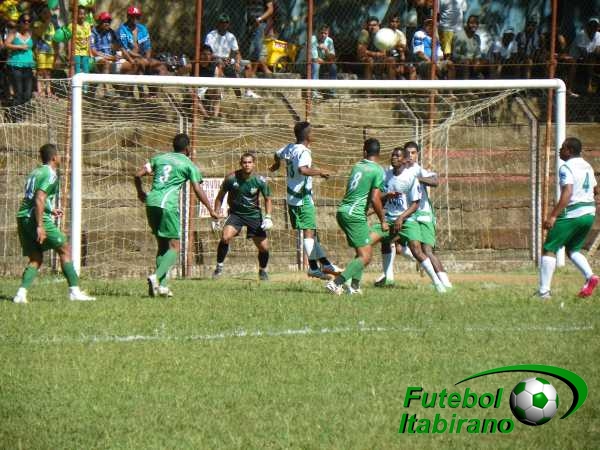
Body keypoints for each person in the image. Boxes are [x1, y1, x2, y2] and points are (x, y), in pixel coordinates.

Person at [134, 133, 219, 298]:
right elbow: (197, 189)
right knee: (175, 247)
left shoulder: (159, 158)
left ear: (173, 146)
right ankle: (156, 276)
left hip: (151, 202)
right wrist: (211, 209)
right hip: (167, 205)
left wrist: (140, 193)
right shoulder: (188, 164)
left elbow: (137, 174)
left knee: (162, 246)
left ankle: (161, 287)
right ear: (188, 148)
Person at [13, 143, 95, 304]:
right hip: (35, 218)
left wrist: (51, 210)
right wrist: (40, 226)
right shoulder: (50, 174)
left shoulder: (35, 172)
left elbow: (34, 197)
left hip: (23, 217)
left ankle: (20, 294)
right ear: (54, 158)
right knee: (64, 248)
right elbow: (39, 198)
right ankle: (74, 292)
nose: (61, 157)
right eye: (59, 155)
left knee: (36, 258)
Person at [270, 121, 342, 280]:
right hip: (302, 198)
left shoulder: (290, 148)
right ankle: (314, 268)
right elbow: (303, 169)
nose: (314, 134)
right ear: (308, 135)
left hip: (292, 198)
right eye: (312, 131)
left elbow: (277, 154)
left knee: (310, 233)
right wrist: (320, 172)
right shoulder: (304, 152)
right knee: (309, 233)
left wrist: (277, 164)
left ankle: (324, 264)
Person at [372, 147, 447, 293]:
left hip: (408, 219)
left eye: (397, 156)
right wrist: (386, 196)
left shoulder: (411, 177)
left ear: (403, 160)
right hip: (390, 219)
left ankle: (439, 283)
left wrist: (401, 218)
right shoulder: (385, 175)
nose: (394, 158)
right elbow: (378, 197)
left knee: (417, 249)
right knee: (374, 242)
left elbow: (415, 204)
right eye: (392, 155)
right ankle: (383, 278)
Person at [538, 137, 599, 299]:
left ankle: (544, 292)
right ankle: (591, 277)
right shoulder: (587, 166)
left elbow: (568, 192)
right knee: (572, 249)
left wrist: (553, 216)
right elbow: (595, 190)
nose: (560, 150)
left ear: (570, 151)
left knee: (549, 248)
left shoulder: (566, 167)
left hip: (573, 212)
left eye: (562, 148)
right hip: (589, 213)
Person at [325, 138, 387, 295]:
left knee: (362, 252)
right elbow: (375, 198)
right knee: (366, 256)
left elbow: (360, 191)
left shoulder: (357, 166)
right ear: (379, 153)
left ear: (364, 152)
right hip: (354, 215)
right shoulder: (378, 170)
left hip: (344, 211)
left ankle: (354, 287)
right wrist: (383, 220)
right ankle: (336, 283)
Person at [212, 153, 273, 281]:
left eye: (249, 162)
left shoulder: (260, 180)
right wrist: (215, 215)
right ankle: (219, 268)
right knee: (225, 237)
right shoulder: (231, 178)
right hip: (236, 214)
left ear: (254, 164)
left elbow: (268, 199)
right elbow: (220, 197)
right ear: (240, 164)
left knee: (264, 247)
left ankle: (262, 271)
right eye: (244, 162)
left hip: (254, 215)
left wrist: (268, 217)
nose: (247, 165)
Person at [4, 13, 35, 121]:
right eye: (24, 21)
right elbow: (6, 44)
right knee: (19, 91)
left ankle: (22, 113)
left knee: (28, 93)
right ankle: (15, 116)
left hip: (28, 66)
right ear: (20, 22)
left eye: (29, 21)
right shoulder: (14, 32)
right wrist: (19, 46)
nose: (26, 23)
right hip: (15, 65)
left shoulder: (31, 32)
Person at [90, 11, 136, 77]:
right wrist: (111, 58)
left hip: (111, 58)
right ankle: (105, 83)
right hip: (98, 59)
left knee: (129, 66)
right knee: (106, 63)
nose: (107, 24)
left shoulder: (111, 32)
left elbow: (119, 46)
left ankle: (120, 83)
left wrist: (126, 57)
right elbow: (94, 52)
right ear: (100, 22)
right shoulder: (94, 32)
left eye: (109, 21)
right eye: (105, 22)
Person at [32, 6, 58, 98]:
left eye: (48, 13)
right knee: (40, 71)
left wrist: (56, 52)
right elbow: (40, 32)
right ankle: (40, 90)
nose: (47, 15)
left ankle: (48, 90)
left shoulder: (52, 25)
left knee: (48, 72)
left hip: (50, 51)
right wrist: (47, 22)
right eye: (45, 13)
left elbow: (54, 39)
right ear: (40, 14)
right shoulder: (37, 23)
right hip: (40, 50)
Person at [245, 0, 273, 79]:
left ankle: (253, 73)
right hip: (249, 24)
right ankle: (252, 72)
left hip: (259, 24)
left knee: (256, 47)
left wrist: (259, 19)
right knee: (250, 49)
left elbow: (270, 9)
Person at [451, 14, 483, 79]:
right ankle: (466, 84)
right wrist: (467, 59)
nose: (474, 25)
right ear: (467, 24)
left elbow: (478, 54)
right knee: (466, 63)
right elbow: (455, 55)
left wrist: (477, 61)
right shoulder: (459, 36)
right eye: (472, 23)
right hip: (460, 63)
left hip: (472, 63)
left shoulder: (477, 38)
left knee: (487, 63)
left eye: (476, 23)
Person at [357, 16, 386, 80]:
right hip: (365, 59)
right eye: (370, 25)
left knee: (389, 60)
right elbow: (361, 52)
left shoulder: (381, 34)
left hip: (378, 59)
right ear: (367, 26)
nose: (372, 27)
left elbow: (384, 53)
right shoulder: (365, 33)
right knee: (370, 60)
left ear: (378, 26)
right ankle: (368, 86)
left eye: (375, 25)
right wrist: (375, 54)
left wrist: (368, 52)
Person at [67, 5, 92, 75]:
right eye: (80, 14)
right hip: (76, 52)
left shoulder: (87, 25)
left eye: (84, 14)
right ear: (76, 14)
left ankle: (85, 83)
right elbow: (69, 41)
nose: (82, 16)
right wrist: (69, 54)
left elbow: (88, 39)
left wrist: (89, 52)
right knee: (77, 71)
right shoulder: (71, 26)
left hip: (85, 52)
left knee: (86, 71)